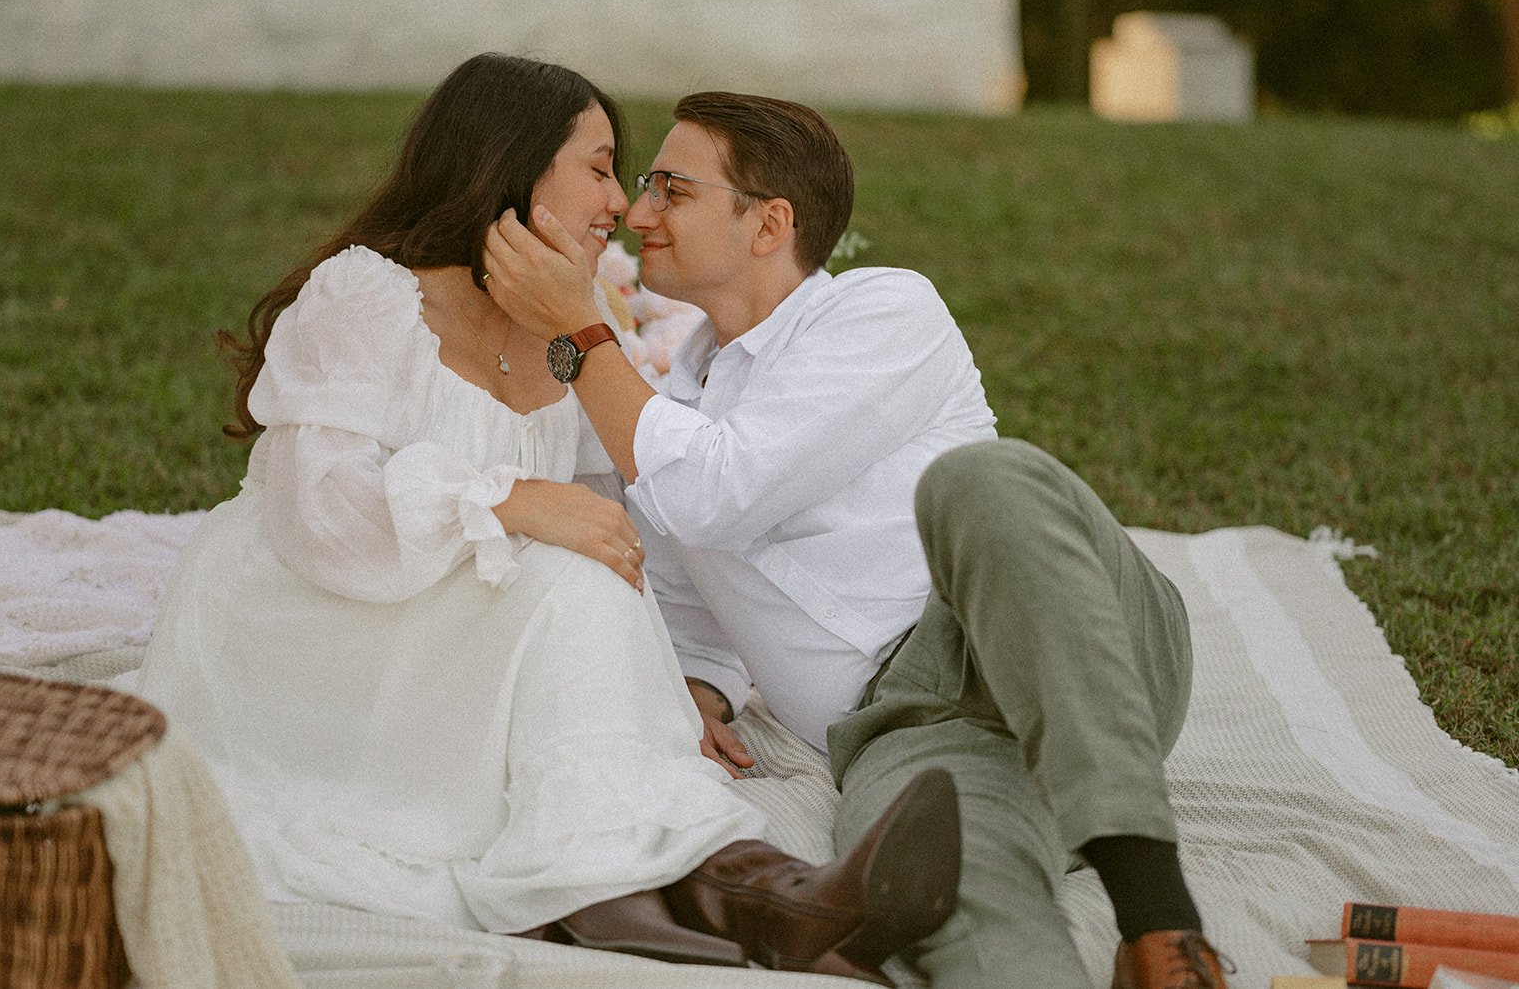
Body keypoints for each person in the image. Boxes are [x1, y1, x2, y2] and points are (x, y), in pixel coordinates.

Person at [136, 54, 962, 982]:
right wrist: (509, 499)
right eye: (605, 168)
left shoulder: (570, 336)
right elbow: (316, 510)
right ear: (515, 167)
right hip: (313, 627)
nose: (622, 204)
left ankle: (741, 908)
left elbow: (637, 517)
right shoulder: (369, 295)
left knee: (585, 599)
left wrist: (681, 673)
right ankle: (765, 903)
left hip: (461, 627)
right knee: (573, 588)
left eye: (643, 180)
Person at [481, 90, 1232, 989]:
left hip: (1062, 631)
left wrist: (580, 328)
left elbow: (718, 492)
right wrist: (702, 687)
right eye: (642, 187)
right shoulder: (668, 410)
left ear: (769, 225)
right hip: (909, 729)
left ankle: (1160, 926)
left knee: (981, 484)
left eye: (671, 190)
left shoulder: (883, 313)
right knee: (953, 898)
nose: (638, 214)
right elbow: (687, 578)